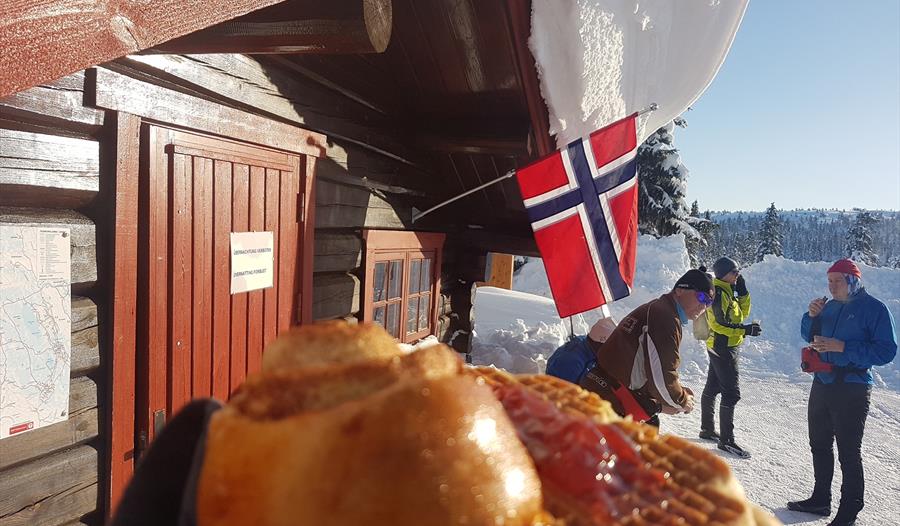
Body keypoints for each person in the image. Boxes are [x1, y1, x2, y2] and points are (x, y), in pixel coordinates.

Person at [787, 259, 897, 526]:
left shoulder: (875, 309)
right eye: (830, 281)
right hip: (822, 382)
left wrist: (843, 347)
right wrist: (810, 317)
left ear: (853, 280)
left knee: (849, 451)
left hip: (852, 387)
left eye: (838, 280)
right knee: (819, 444)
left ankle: (849, 510)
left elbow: (886, 351)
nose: (832, 286)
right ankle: (820, 499)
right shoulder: (830, 306)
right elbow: (809, 337)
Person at [580, 267, 714, 426]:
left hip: (604, 388)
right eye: (701, 297)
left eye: (709, 302)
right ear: (679, 290)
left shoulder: (660, 309)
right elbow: (662, 377)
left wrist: (675, 393)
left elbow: (647, 368)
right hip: (611, 399)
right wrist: (682, 400)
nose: (704, 306)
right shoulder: (665, 317)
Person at [699, 257, 761, 458]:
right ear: (724, 274)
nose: (737, 275)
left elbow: (740, 315)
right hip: (722, 347)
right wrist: (744, 331)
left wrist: (742, 293)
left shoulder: (727, 290)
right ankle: (726, 441)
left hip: (722, 346)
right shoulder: (718, 294)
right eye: (734, 272)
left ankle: (707, 429)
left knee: (712, 387)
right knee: (731, 393)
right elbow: (718, 325)